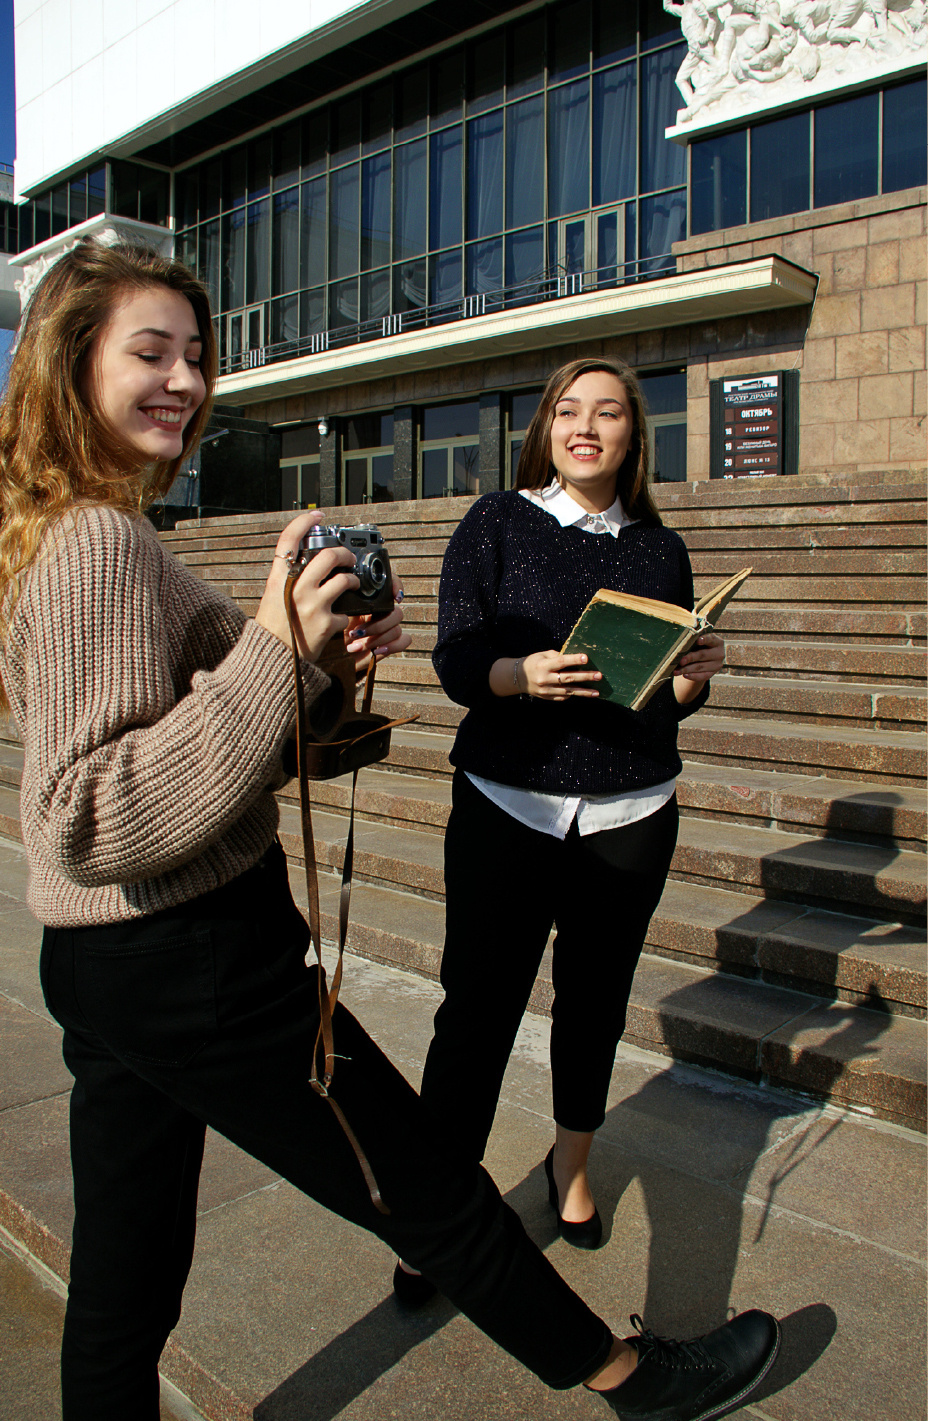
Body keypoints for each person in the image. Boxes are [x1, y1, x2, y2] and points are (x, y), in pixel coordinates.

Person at [0, 241, 778, 1421]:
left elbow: (240, 723)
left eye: (198, 359)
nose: (185, 383)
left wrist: (313, 655)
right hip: (193, 952)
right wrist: (274, 647)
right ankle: (630, 1380)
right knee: (422, 1180)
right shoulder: (102, 546)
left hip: (111, 964)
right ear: (72, 365)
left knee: (122, 1275)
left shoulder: (77, 532)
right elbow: (87, 815)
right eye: (148, 353)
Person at [395, 355, 725, 1297]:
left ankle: (569, 1169)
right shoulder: (497, 520)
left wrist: (695, 675)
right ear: (547, 426)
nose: (587, 425)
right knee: (477, 1010)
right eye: (569, 409)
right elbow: (456, 656)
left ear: (633, 434)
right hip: (511, 802)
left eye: (609, 411)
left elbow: (662, 695)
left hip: (632, 808)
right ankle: (438, 1214)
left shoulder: (659, 548)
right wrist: (519, 676)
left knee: (595, 1002)